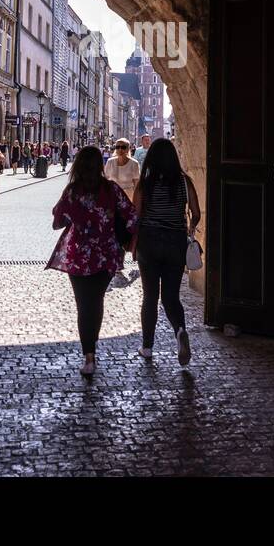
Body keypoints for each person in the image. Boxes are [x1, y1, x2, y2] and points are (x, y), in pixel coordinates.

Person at [48, 146, 138, 376]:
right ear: (100, 165)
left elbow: (58, 221)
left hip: (78, 255)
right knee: (96, 301)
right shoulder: (111, 189)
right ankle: (92, 352)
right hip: (105, 254)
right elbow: (132, 217)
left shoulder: (73, 190)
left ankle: (88, 355)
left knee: (82, 304)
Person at [131, 138, 201, 366]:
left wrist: (133, 244)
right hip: (175, 242)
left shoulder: (146, 183)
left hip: (149, 242)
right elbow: (196, 211)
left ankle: (148, 347)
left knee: (150, 296)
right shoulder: (184, 182)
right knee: (171, 296)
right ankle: (180, 331)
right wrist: (189, 228)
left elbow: (136, 215)